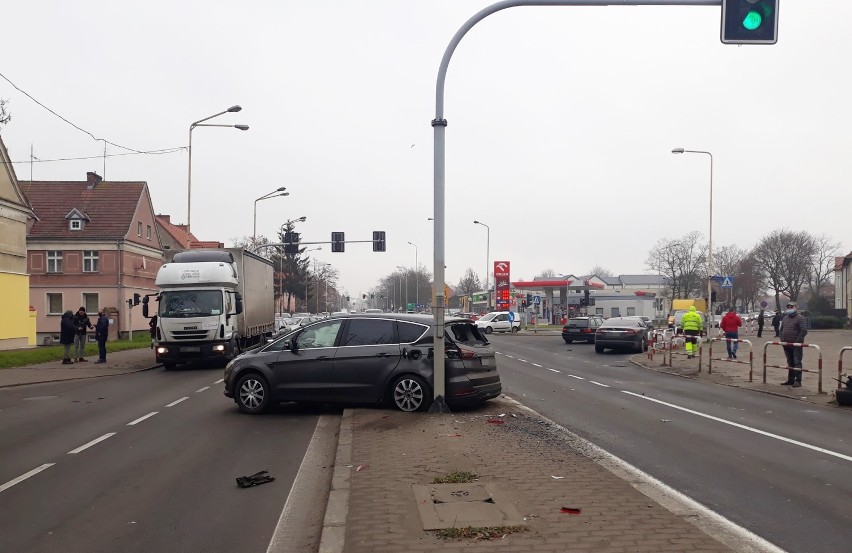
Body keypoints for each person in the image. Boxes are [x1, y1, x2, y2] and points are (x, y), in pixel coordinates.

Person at [779, 302, 808, 388]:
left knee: (797, 362)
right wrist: (782, 339)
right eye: (788, 307)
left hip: (796, 345)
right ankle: (790, 379)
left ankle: (798, 380)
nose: (790, 308)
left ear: (796, 307)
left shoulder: (800, 318)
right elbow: (781, 330)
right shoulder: (785, 318)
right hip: (786, 344)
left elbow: (804, 331)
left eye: (791, 307)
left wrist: (797, 342)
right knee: (790, 362)